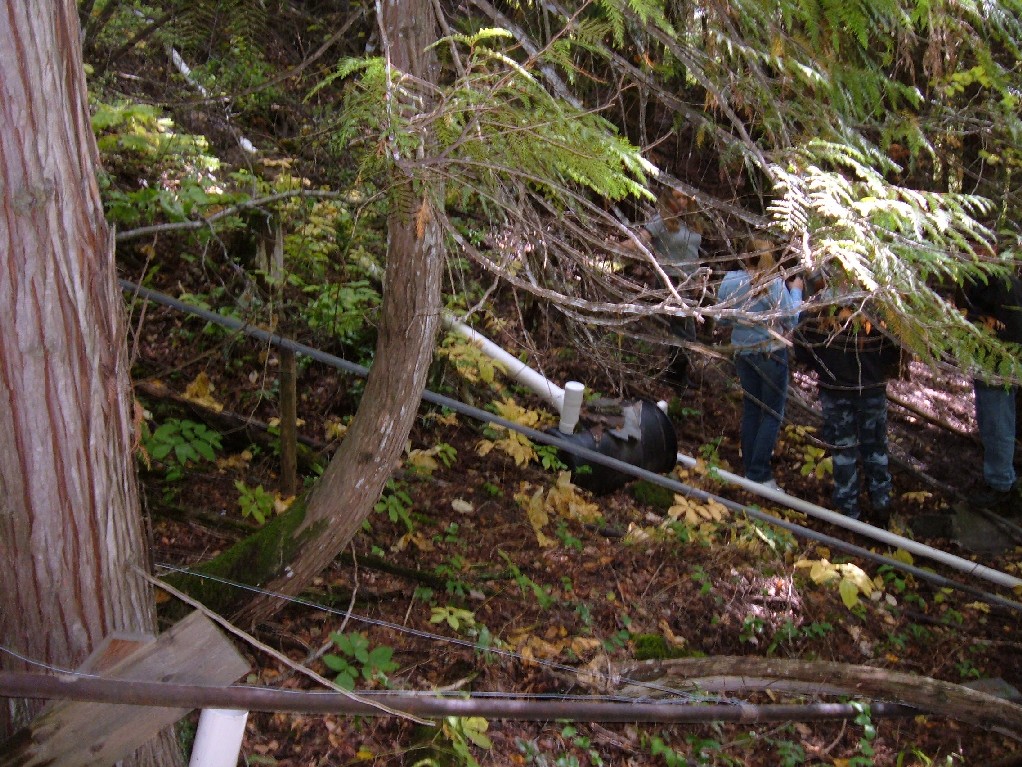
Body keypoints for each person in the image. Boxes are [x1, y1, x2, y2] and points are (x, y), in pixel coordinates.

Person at [793, 293, 902, 521]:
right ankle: (878, 505)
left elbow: (803, 346)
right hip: (865, 389)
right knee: (875, 448)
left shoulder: (822, 304)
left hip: (838, 390)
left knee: (844, 450)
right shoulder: (879, 304)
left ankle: (850, 510)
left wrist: (826, 367)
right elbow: (897, 348)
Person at [717, 238, 803, 489]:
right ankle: (759, 473)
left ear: (746, 255)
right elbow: (792, 319)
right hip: (770, 355)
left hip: (743, 354)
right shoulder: (774, 284)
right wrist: (796, 290)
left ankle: (750, 469)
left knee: (752, 409)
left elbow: (722, 320)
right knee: (772, 413)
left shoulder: (730, 280)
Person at [629, 188, 704, 388]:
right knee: (685, 331)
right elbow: (639, 241)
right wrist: (615, 245)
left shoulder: (690, 223)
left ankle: (679, 376)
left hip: (689, 280)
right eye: (677, 197)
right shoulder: (661, 220)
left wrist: (697, 279)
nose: (681, 201)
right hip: (671, 280)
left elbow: (693, 252)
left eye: (684, 197)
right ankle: (675, 378)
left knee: (685, 330)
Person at [961, 269, 1022, 513]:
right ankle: (1001, 478)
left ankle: (1000, 485)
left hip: (998, 367)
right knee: (993, 423)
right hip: (989, 365)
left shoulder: (1003, 286)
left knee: (997, 424)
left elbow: (1013, 329)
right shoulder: (975, 281)